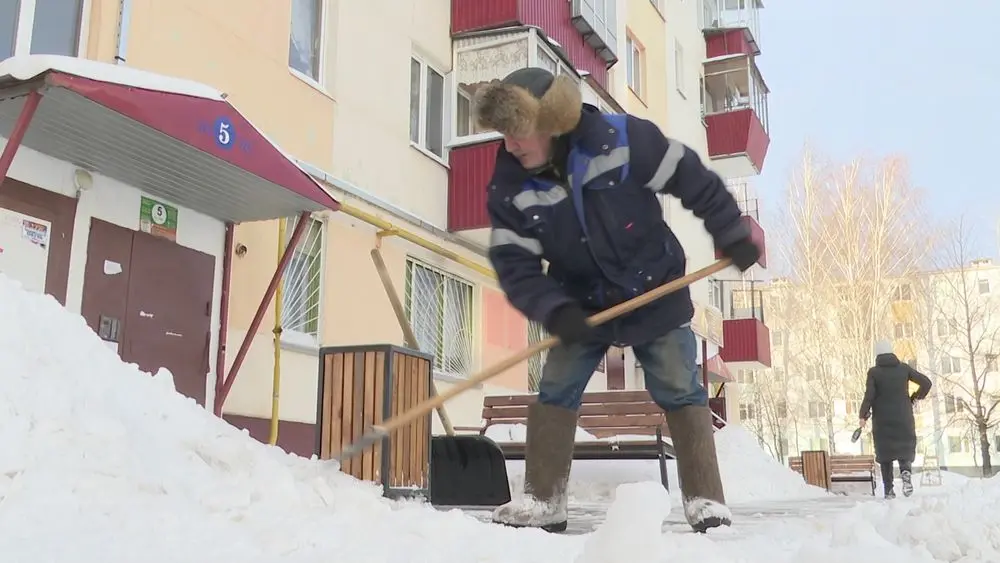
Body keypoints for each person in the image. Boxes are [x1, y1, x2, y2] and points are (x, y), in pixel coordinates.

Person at [474, 67, 761, 533]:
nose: (510, 145)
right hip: (580, 300)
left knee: (678, 386)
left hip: (655, 288)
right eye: (503, 134)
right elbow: (514, 263)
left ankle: (706, 499)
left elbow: (691, 178)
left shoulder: (623, 140)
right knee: (556, 388)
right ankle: (545, 501)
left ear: (552, 122)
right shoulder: (511, 182)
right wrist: (554, 310)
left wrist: (731, 231)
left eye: (518, 132)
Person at [859, 339, 933, 499]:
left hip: (882, 420)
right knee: (903, 450)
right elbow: (926, 383)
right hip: (904, 417)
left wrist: (863, 415)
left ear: (876, 355)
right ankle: (906, 472)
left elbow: (869, 396)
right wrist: (913, 397)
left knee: (886, 456)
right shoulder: (904, 368)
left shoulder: (874, 372)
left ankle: (889, 490)